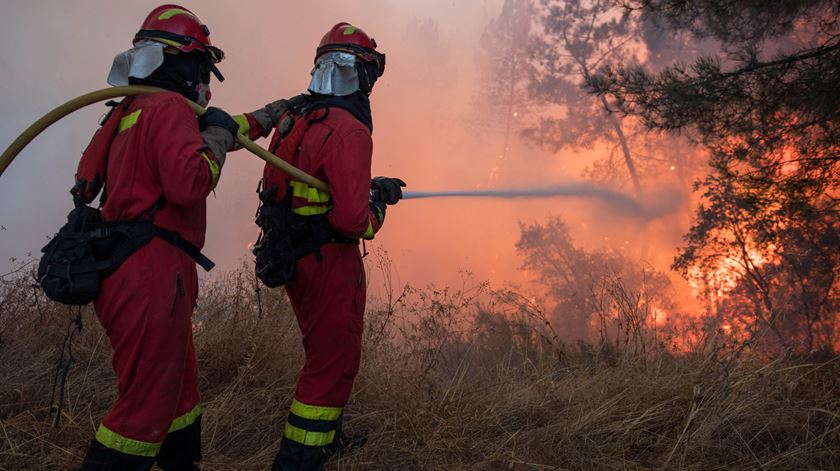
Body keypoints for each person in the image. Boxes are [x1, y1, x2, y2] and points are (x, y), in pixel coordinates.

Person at [77, 5, 242, 470]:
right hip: (152, 272)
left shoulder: (127, 110)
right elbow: (189, 182)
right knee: (144, 408)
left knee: (178, 389)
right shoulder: (169, 108)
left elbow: (86, 180)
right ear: (185, 61)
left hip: (124, 266)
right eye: (201, 66)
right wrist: (215, 139)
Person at [235, 22, 406, 470]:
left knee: (321, 351)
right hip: (329, 260)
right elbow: (352, 220)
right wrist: (376, 209)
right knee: (333, 361)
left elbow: (314, 182)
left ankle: (327, 440)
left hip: (294, 255)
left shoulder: (297, 119)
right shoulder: (350, 130)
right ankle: (299, 458)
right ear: (362, 75)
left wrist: (365, 186)